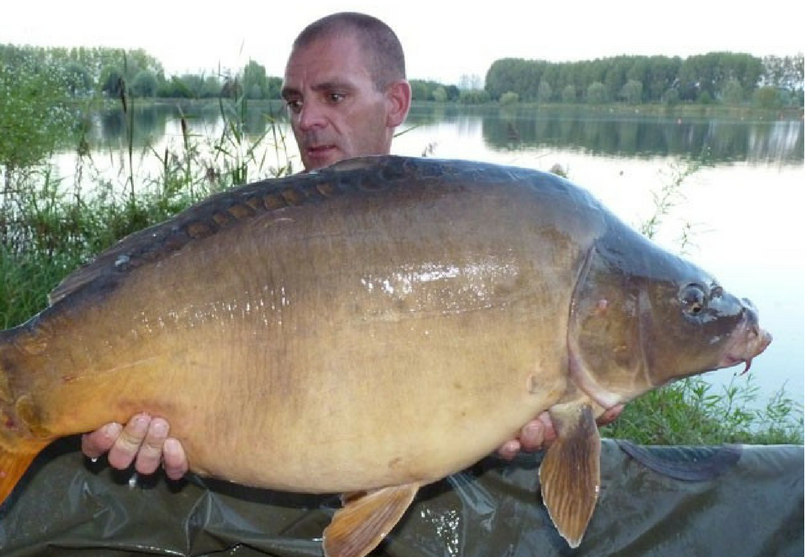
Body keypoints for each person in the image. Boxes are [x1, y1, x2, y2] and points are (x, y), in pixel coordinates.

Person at [80, 12, 621, 476]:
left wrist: (522, 422)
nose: (307, 120)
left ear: (396, 103)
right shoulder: (245, 239)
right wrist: (98, 419)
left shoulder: (470, 230)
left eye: (334, 96)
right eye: (295, 101)